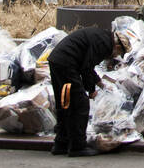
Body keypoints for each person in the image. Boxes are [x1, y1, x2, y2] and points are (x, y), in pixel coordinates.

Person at [47, 25, 127, 158]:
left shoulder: (102, 37)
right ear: (118, 46)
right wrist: (91, 90)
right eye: (119, 53)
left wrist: (99, 83)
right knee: (80, 104)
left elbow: (87, 65)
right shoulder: (105, 44)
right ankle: (77, 146)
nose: (116, 56)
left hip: (57, 60)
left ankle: (61, 143)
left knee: (65, 103)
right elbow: (86, 67)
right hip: (67, 63)